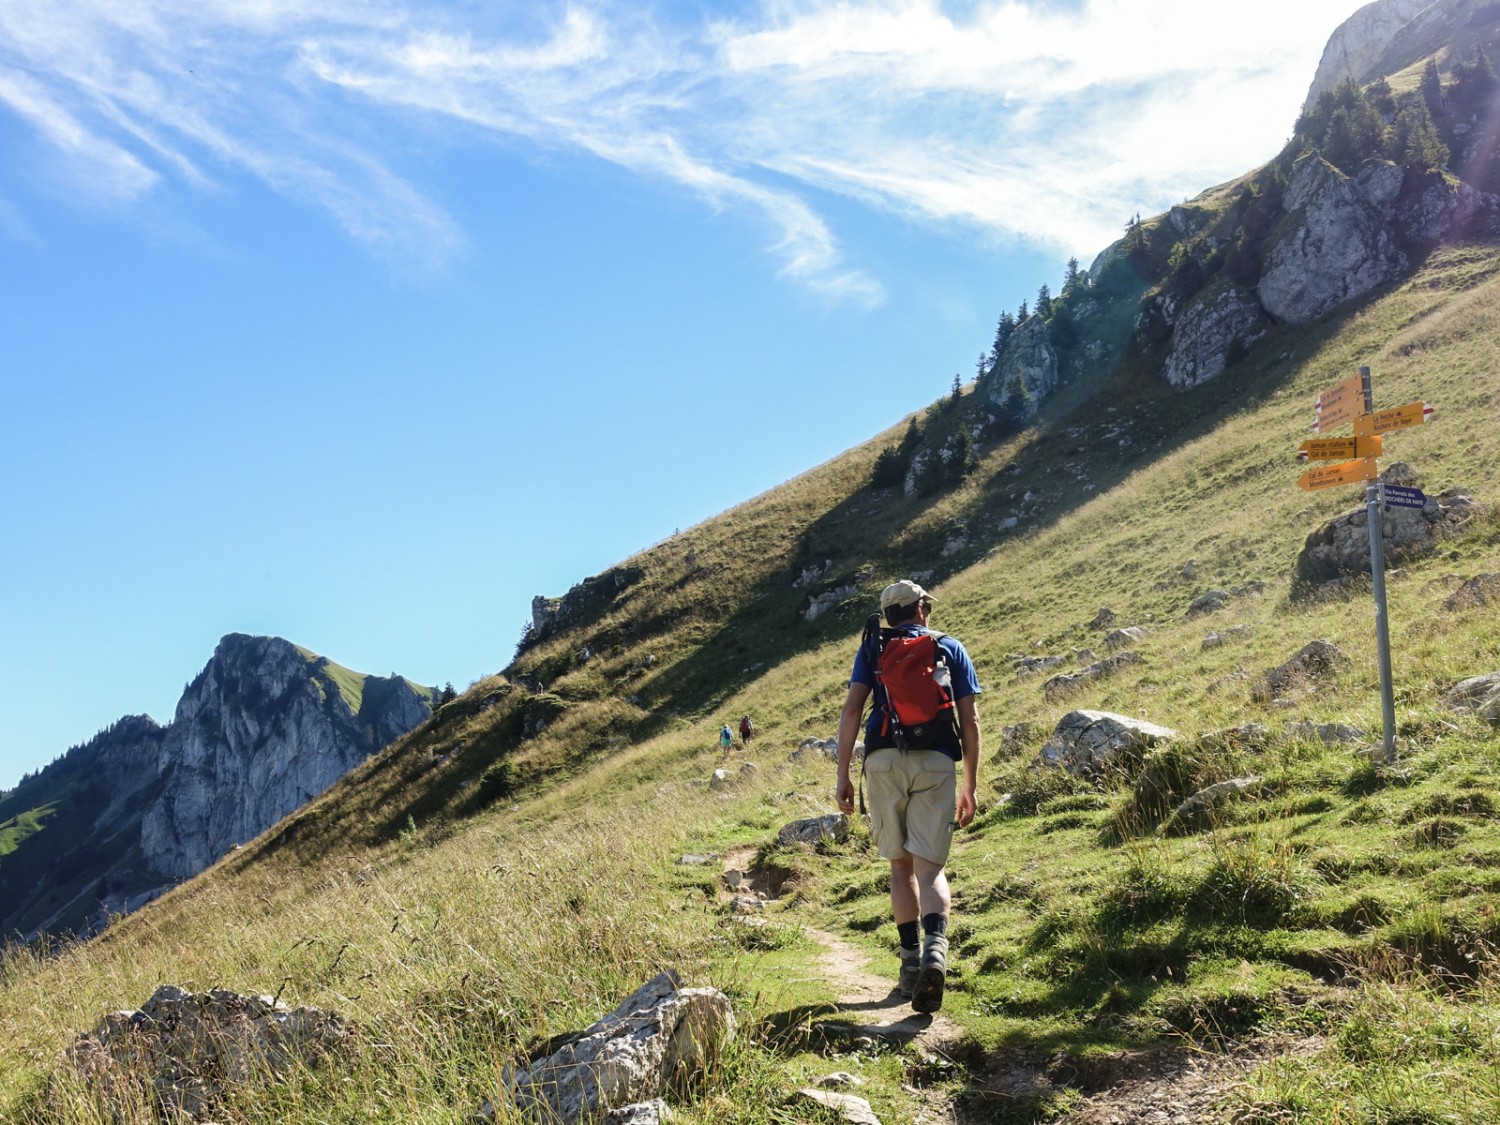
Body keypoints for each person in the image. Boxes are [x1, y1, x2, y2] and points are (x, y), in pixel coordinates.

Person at [835, 580, 981, 1013]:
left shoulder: (872, 649)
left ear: (888, 616)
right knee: (930, 869)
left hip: (882, 761)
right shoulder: (949, 648)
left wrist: (842, 773)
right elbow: (969, 719)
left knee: (900, 867)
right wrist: (969, 782)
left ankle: (909, 967)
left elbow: (851, 711)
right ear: (920, 610)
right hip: (936, 762)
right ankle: (937, 951)